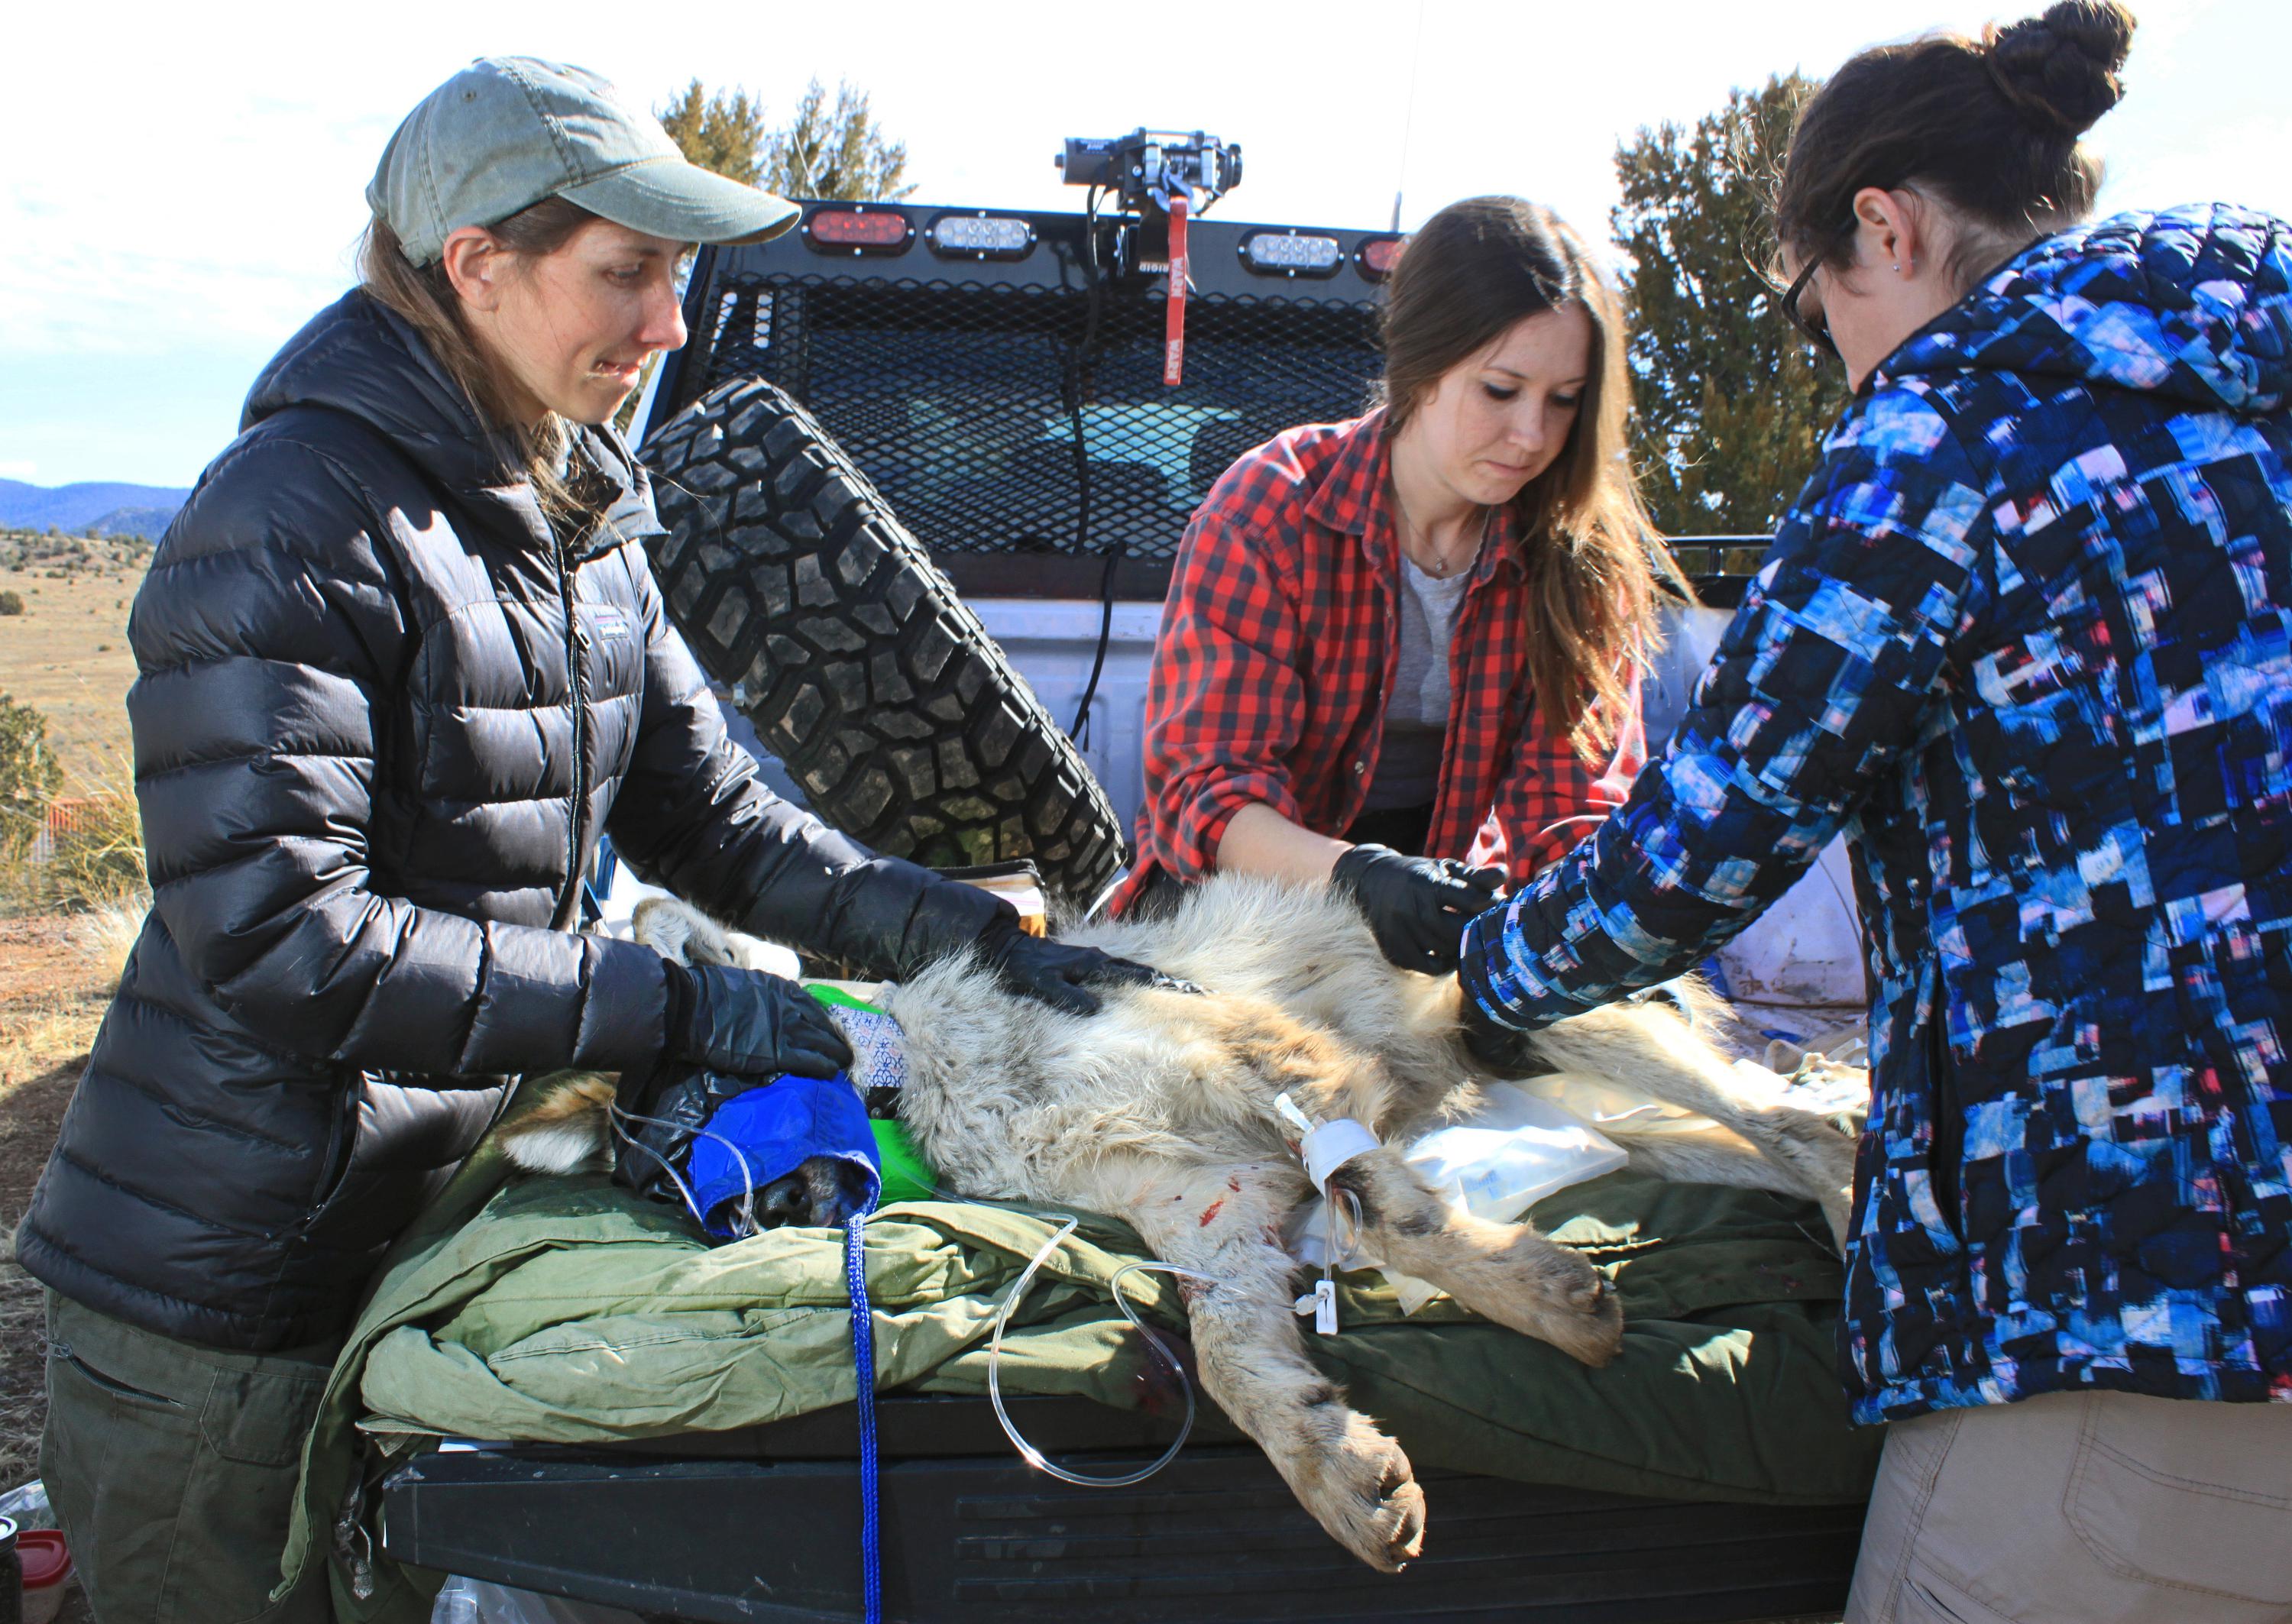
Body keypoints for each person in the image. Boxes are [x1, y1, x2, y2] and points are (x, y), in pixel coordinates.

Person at [13, 57, 1157, 1622]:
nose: (670, 326)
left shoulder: (577, 521)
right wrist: (679, 1004)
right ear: (477, 266)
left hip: (439, 1237)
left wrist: (958, 935)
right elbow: (290, 942)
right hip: (237, 1294)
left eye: (678, 279)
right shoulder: (293, 519)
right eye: (624, 275)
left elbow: (726, 827)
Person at [1455, 4, 2292, 1619]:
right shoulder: (2241, 389)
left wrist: (1488, 967)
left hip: (2139, 1310)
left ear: (1884, 229)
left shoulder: (1950, 428)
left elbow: (1706, 838)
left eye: (1802, 309)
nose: (1828, 353)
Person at [1108, 197, 1674, 975]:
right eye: (1501, 391)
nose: (1534, 436)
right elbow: (1208, 796)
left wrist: (1571, 944)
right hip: (1238, 926)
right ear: (1421, 364)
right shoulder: (1270, 510)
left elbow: (1571, 810)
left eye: (1564, 400)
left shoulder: (1579, 554)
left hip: (1446, 934)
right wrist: (1358, 878)